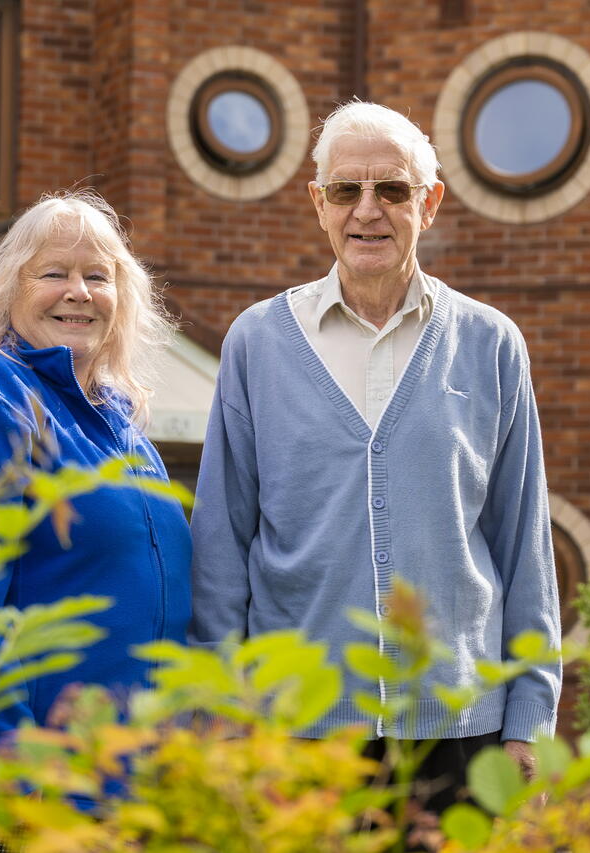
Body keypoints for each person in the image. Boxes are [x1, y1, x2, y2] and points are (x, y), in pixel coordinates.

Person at [189, 102, 561, 814]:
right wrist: (219, 707)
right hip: (296, 730)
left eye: (392, 189)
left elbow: (524, 546)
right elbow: (221, 545)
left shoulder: (491, 343)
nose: (368, 210)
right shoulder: (257, 343)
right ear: (317, 204)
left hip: (463, 727)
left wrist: (530, 718)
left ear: (430, 203)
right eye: (345, 190)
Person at [0, 190, 191, 769]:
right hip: (12, 796)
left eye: (98, 276)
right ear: (8, 289)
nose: (79, 292)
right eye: (54, 272)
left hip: (124, 792)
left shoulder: (120, 426)